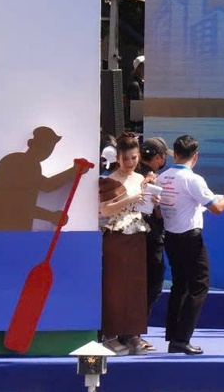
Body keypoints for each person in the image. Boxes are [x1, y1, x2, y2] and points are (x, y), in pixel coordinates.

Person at [157, 134, 224, 355]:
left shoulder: (162, 177)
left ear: (175, 153)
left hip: (171, 236)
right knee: (199, 286)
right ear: (196, 156)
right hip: (189, 238)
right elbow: (218, 208)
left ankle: (173, 335)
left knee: (179, 285)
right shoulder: (193, 179)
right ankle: (182, 338)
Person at [97, 134, 150, 355]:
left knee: (136, 286)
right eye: (126, 158)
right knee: (115, 287)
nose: (130, 163)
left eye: (134, 158)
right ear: (118, 157)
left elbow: (143, 206)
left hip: (137, 235)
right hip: (116, 237)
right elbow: (105, 210)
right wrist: (131, 197)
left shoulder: (141, 178)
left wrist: (150, 199)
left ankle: (132, 333)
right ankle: (110, 335)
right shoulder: (109, 180)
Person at [0, 125, 74, 232]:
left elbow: (22, 205)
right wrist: (74, 170)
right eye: (46, 147)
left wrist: (51, 216)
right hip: (2, 227)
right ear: (32, 144)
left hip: (3, 227)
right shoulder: (21, 162)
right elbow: (46, 187)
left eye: (50, 149)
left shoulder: (23, 161)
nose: (47, 152)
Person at [139, 136, 169, 335]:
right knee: (152, 285)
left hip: (136, 239)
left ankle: (133, 332)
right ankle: (134, 331)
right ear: (159, 157)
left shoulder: (137, 175)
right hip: (147, 238)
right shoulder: (148, 179)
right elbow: (148, 210)